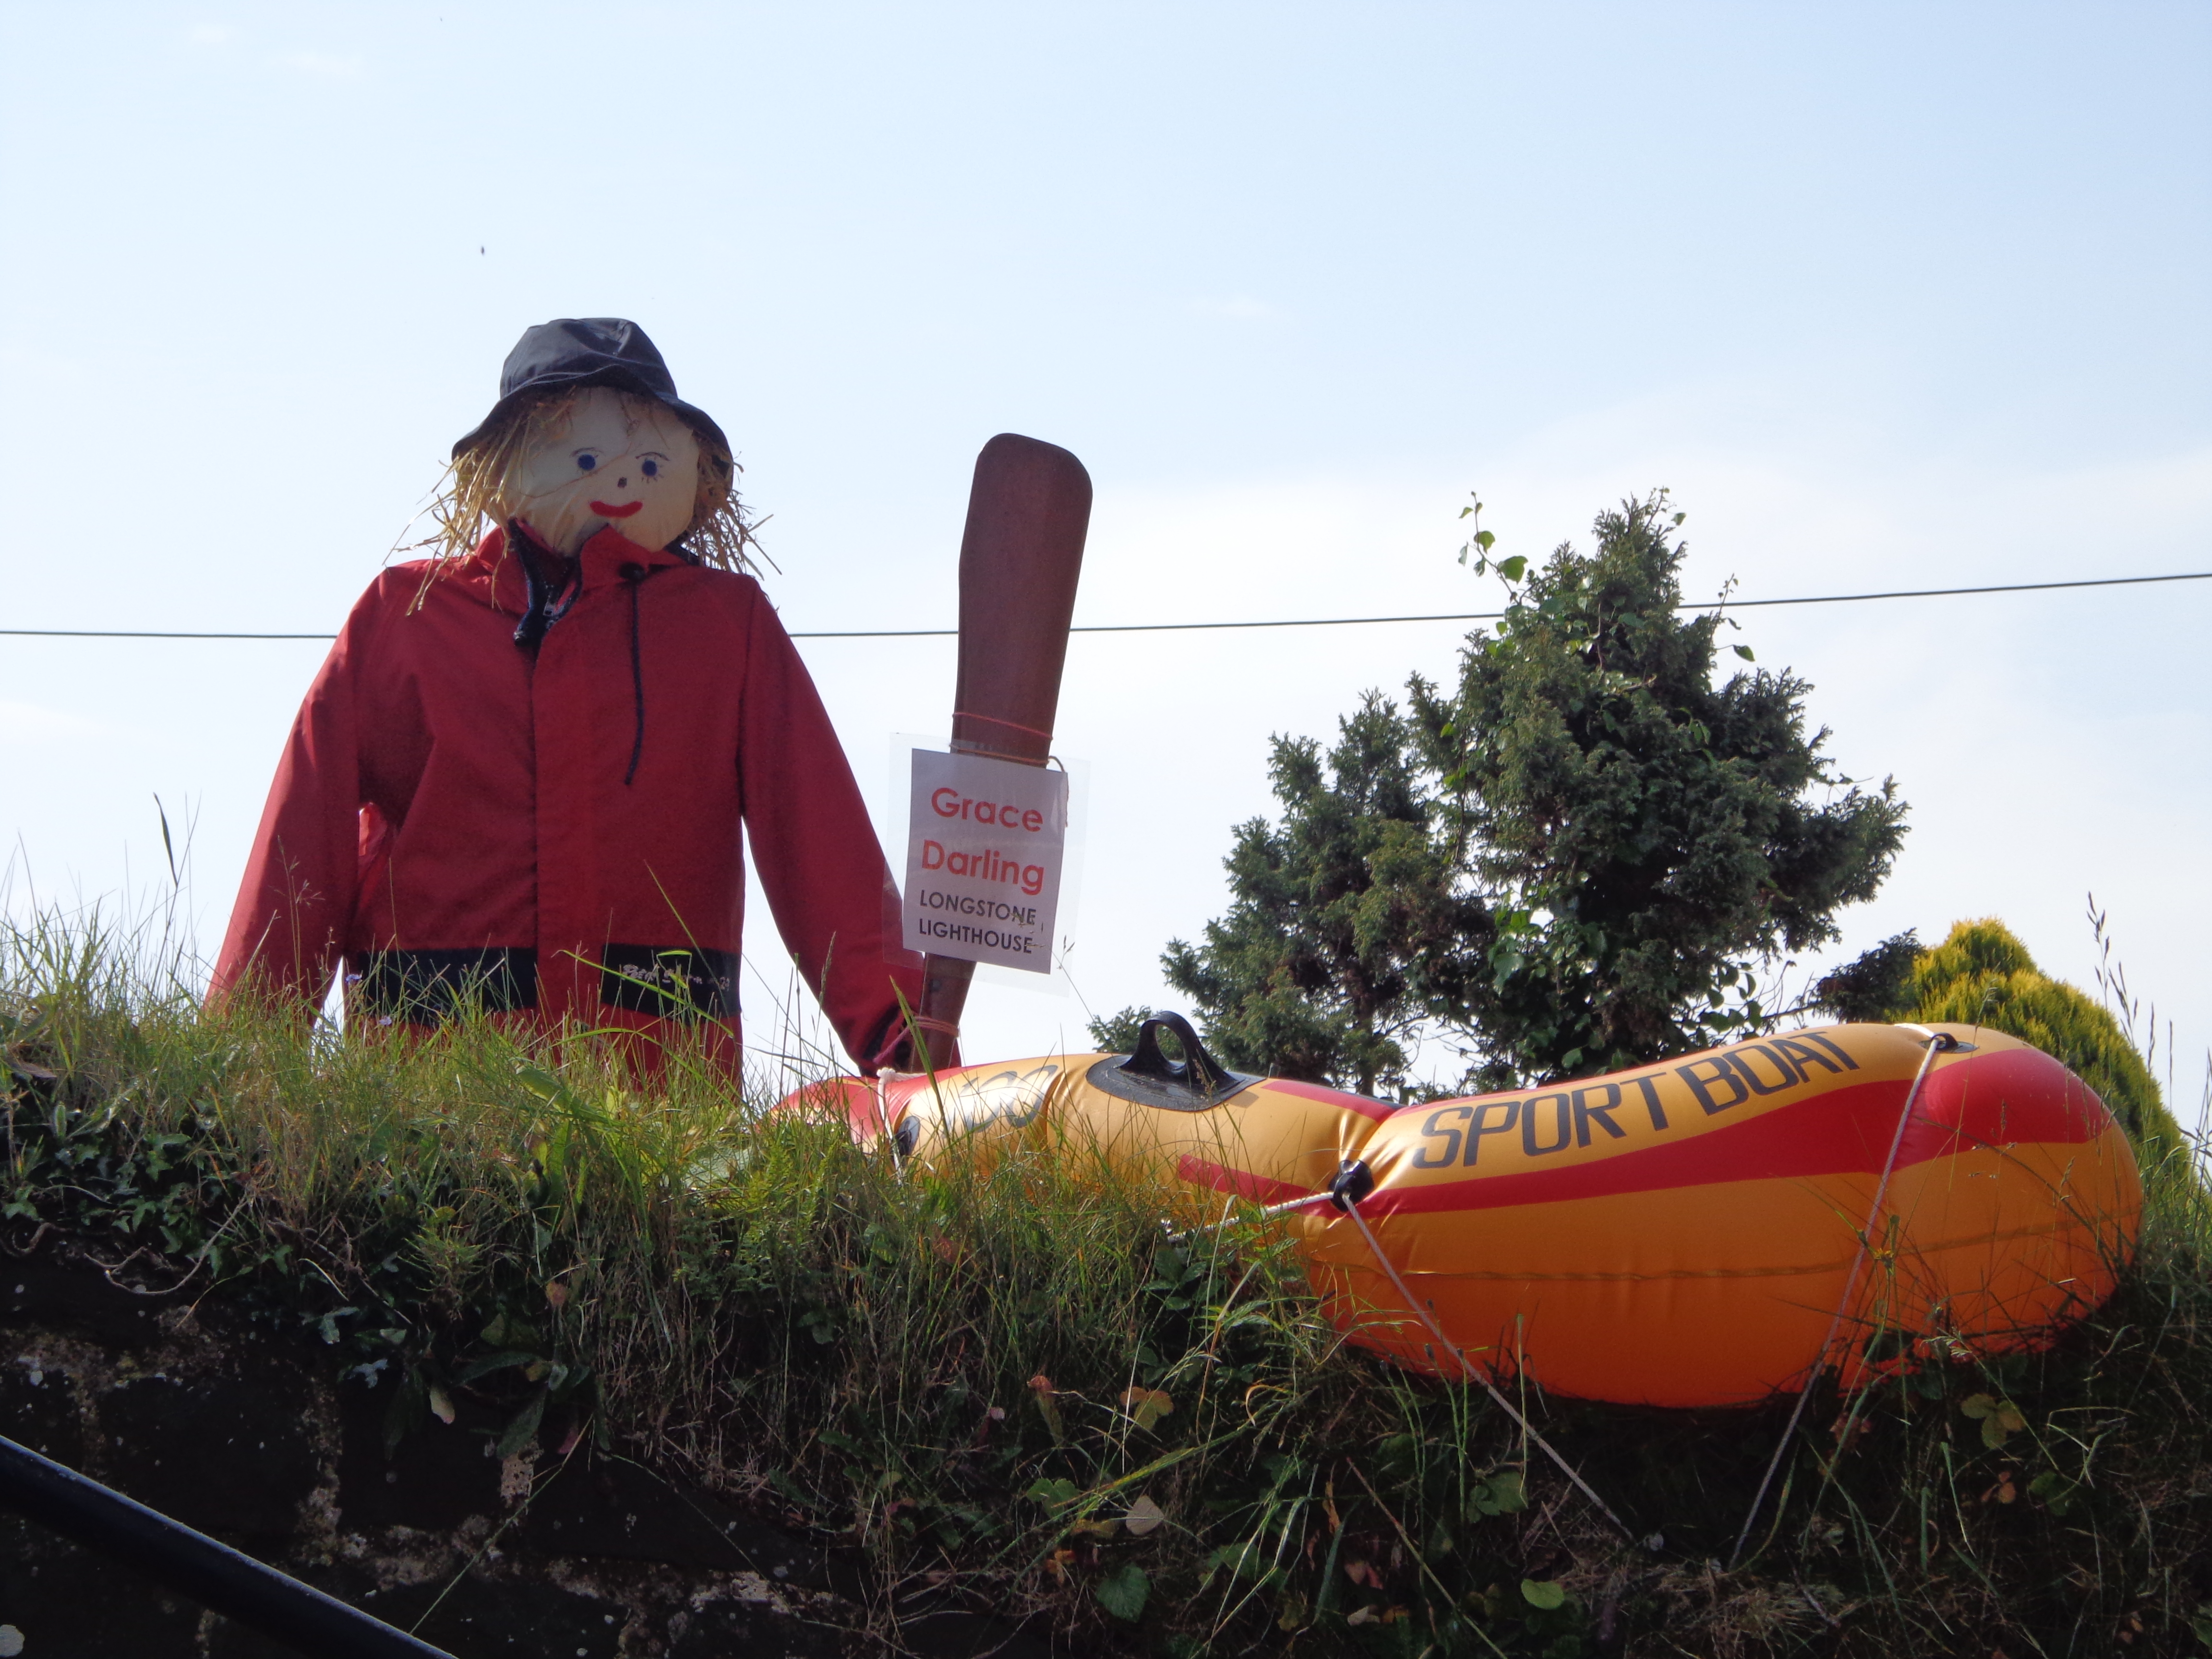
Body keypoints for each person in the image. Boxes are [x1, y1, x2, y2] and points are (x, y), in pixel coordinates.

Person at [211, 317, 923, 1073]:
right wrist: (236, 1064)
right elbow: (302, 845)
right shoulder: (406, 617)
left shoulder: (725, 628)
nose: (618, 480)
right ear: (502, 466)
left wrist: (903, 1040)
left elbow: (819, 837)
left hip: (655, 1109)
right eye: (586, 457)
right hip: (431, 1104)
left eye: (648, 463)